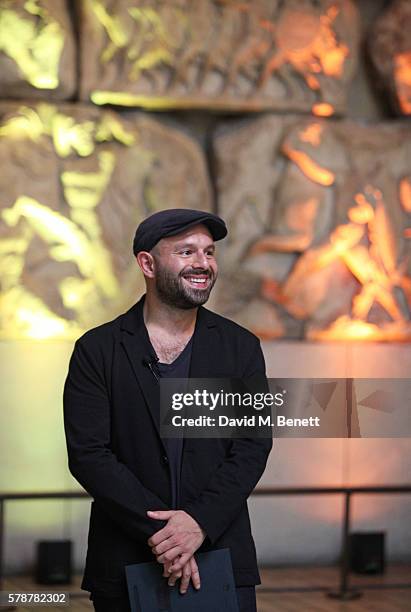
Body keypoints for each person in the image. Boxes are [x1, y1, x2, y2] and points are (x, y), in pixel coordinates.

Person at [63, 208, 272, 612]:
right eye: (187, 251)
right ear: (147, 263)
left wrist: (198, 523)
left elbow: (251, 446)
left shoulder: (241, 347)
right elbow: (89, 455)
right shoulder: (96, 350)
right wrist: (168, 535)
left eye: (209, 253)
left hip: (221, 556)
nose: (203, 264)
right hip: (125, 563)